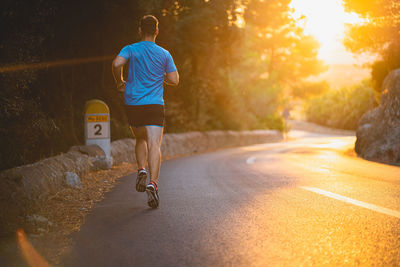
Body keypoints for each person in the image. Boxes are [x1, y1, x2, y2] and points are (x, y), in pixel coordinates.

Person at [112, 15, 179, 208]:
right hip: (154, 104)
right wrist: (161, 74)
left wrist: (119, 82)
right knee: (154, 143)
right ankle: (153, 184)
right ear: (157, 31)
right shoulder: (164, 54)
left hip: (133, 103)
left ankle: (141, 169)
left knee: (140, 138)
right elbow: (174, 80)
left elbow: (116, 64)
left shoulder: (131, 49)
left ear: (140, 30)